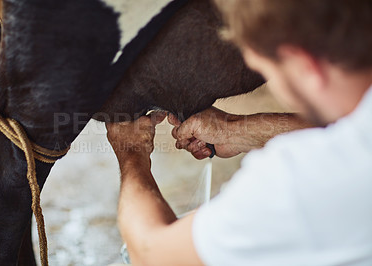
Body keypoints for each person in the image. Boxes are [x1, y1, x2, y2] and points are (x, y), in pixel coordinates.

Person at [105, 0, 372, 265]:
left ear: (305, 66)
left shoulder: (296, 185)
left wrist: (132, 154)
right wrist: (238, 129)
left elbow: (152, 253)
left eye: (268, 71)